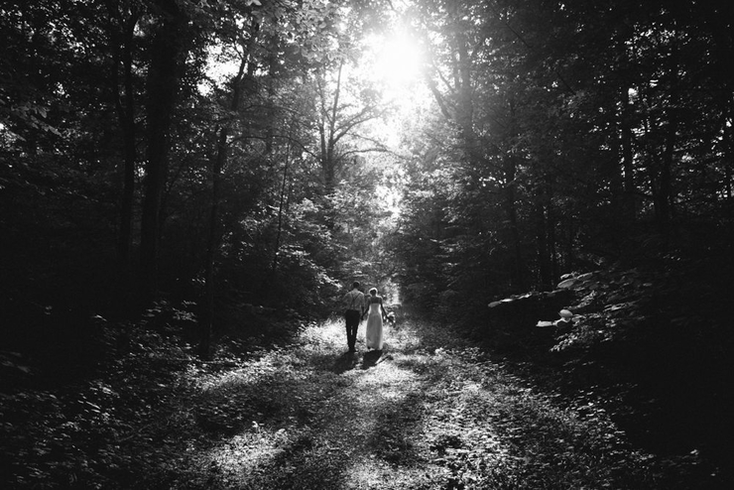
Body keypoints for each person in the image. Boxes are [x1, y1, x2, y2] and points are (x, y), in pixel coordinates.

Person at [342, 281, 365, 353]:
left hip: (349, 312)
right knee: (355, 329)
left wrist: (348, 304)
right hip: (356, 313)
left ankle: (349, 345)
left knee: (348, 329)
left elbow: (343, 301)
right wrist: (362, 314)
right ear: (358, 286)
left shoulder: (349, 293)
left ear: (352, 286)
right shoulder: (361, 294)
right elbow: (363, 305)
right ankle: (353, 346)